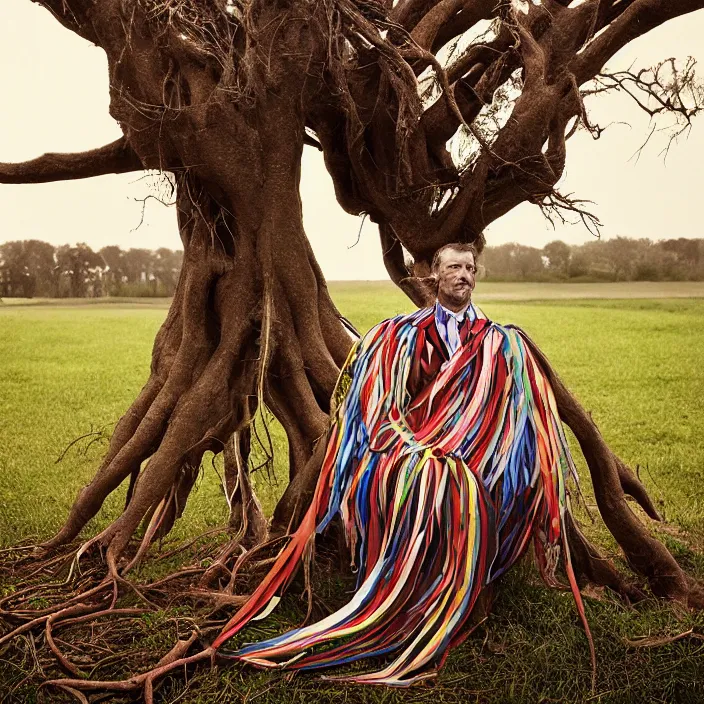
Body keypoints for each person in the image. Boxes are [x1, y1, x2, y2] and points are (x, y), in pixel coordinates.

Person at [212, 243, 592, 686]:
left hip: (480, 454)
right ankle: (406, 604)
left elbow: (510, 410)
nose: (463, 275)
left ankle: (467, 600)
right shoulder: (400, 335)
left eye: (470, 268)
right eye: (453, 267)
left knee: (472, 487)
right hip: (411, 450)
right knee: (434, 483)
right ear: (434, 275)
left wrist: (489, 451)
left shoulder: (499, 341)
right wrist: (412, 446)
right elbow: (378, 410)